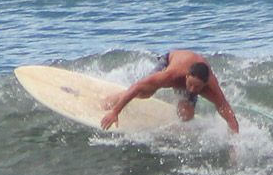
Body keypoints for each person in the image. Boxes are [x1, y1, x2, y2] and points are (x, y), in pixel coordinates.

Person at [101, 49, 239, 133]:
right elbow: (137, 86)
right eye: (190, 84)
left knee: (186, 116)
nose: (191, 89)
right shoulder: (171, 75)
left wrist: (234, 147)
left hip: (196, 70)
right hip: (168, 60)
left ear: (204, 84)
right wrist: (115, 112)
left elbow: (230, 118)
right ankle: (117, 97)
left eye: (197, 87)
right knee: (145, 93)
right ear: (186, 77)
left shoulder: (211, 87)